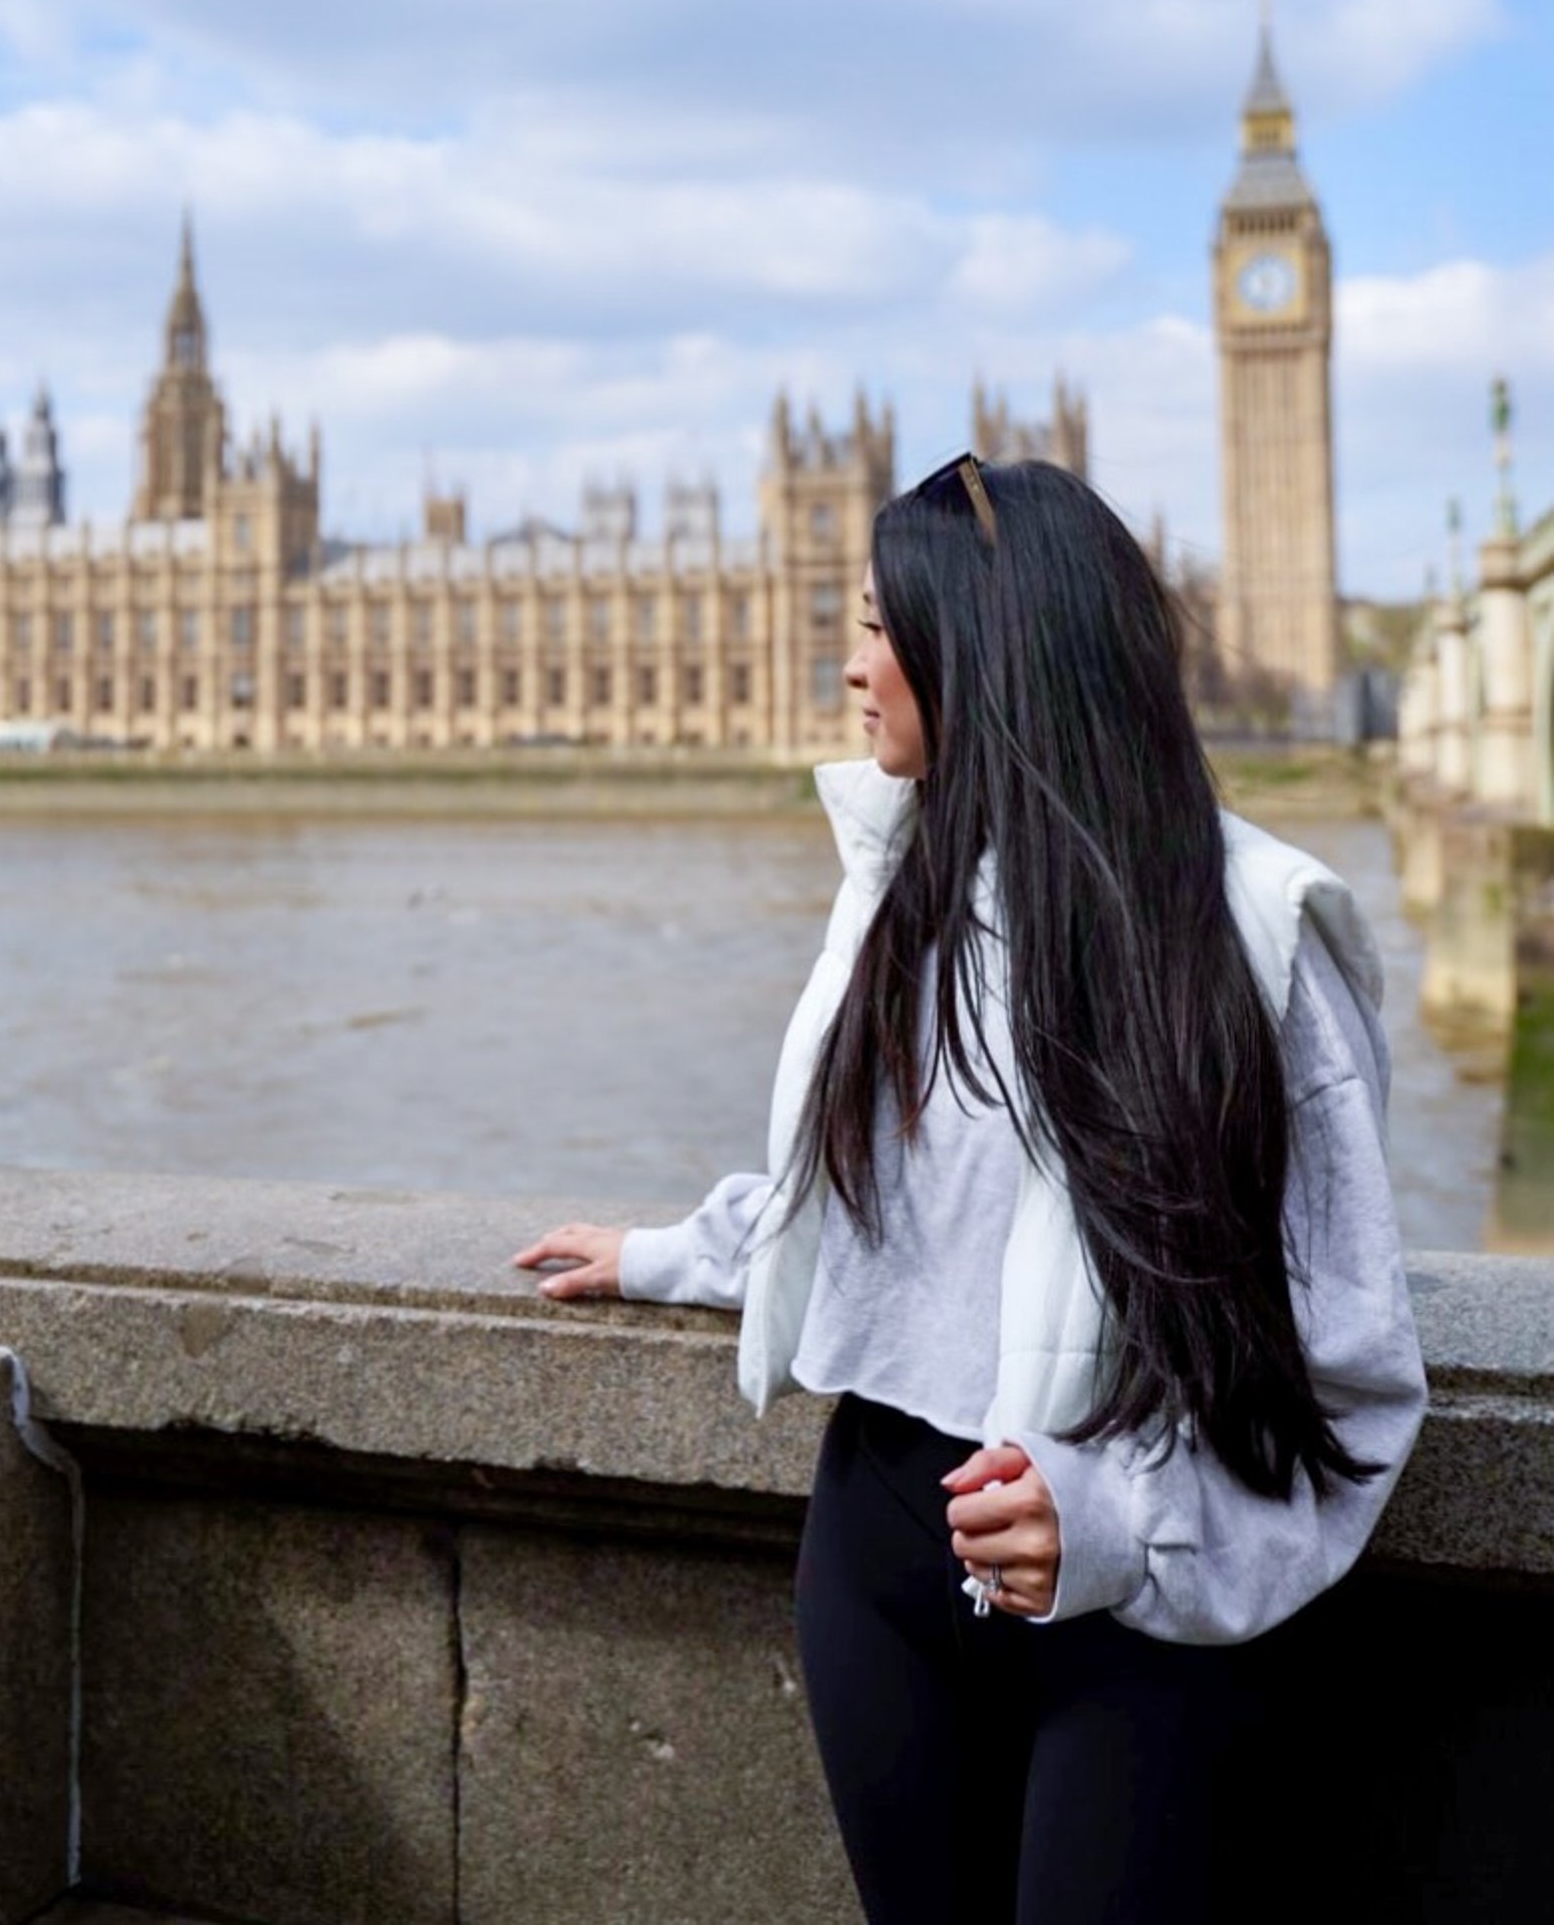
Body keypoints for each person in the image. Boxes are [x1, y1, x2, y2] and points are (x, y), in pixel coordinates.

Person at [512, 455, 1426, 1925]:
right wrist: (678, 1252)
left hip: (1135, 1598)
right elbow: (881, 1205)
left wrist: (1123, 1529)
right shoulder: (903, 886)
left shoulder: (1248, 946)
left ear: (985, 648)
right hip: (880, 1539)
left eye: (880, 627)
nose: (849, 665)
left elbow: (1350, 1375)